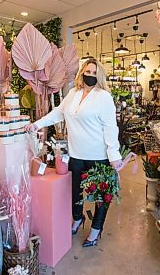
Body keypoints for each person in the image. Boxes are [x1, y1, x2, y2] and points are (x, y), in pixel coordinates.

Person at [25, 58, 122, 247]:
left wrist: (115, 156)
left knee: (101, 197)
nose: (90, 75)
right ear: (81, 73)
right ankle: (77, 219)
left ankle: (96, 229)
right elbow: (57, 114)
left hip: (99, 157)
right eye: (88, 71)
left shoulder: (104, 97)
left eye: (94, 73)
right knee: (75, 192)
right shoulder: (73, 94)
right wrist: (36, 124)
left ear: (99, 75)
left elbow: (111, 128)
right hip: (76, 155)